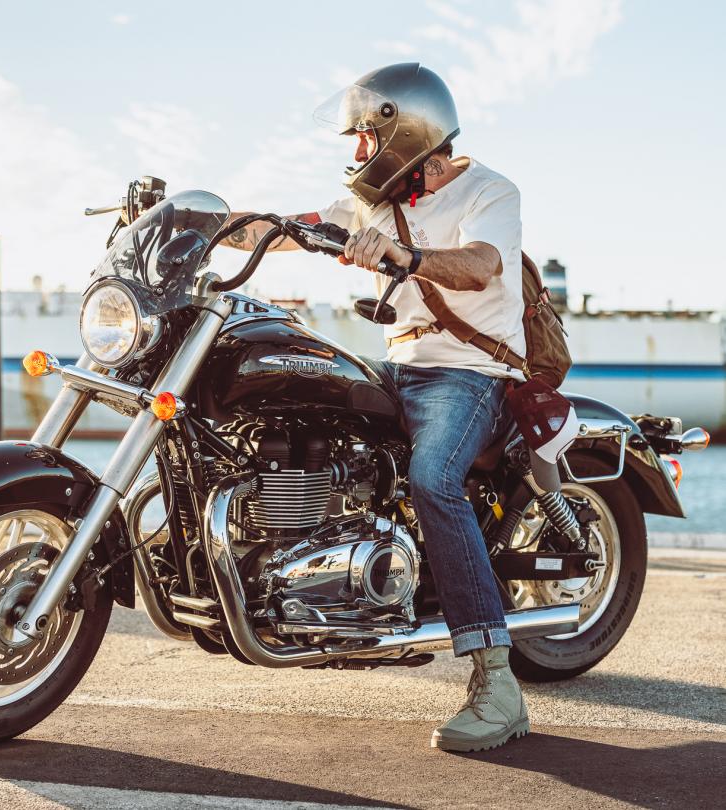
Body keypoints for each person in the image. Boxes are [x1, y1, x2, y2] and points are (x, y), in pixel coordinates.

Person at [222, 63, 529, 753]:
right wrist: (205, 222)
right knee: (299, 407)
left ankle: (497, 682)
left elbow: (479, 265)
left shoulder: (489, 190)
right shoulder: (375, 202)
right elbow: (288, 228)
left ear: (406, 133)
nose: (357, 153)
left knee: (433, 480)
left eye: (365, 137)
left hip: (470, 373)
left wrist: (404, 254)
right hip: (401, 366)